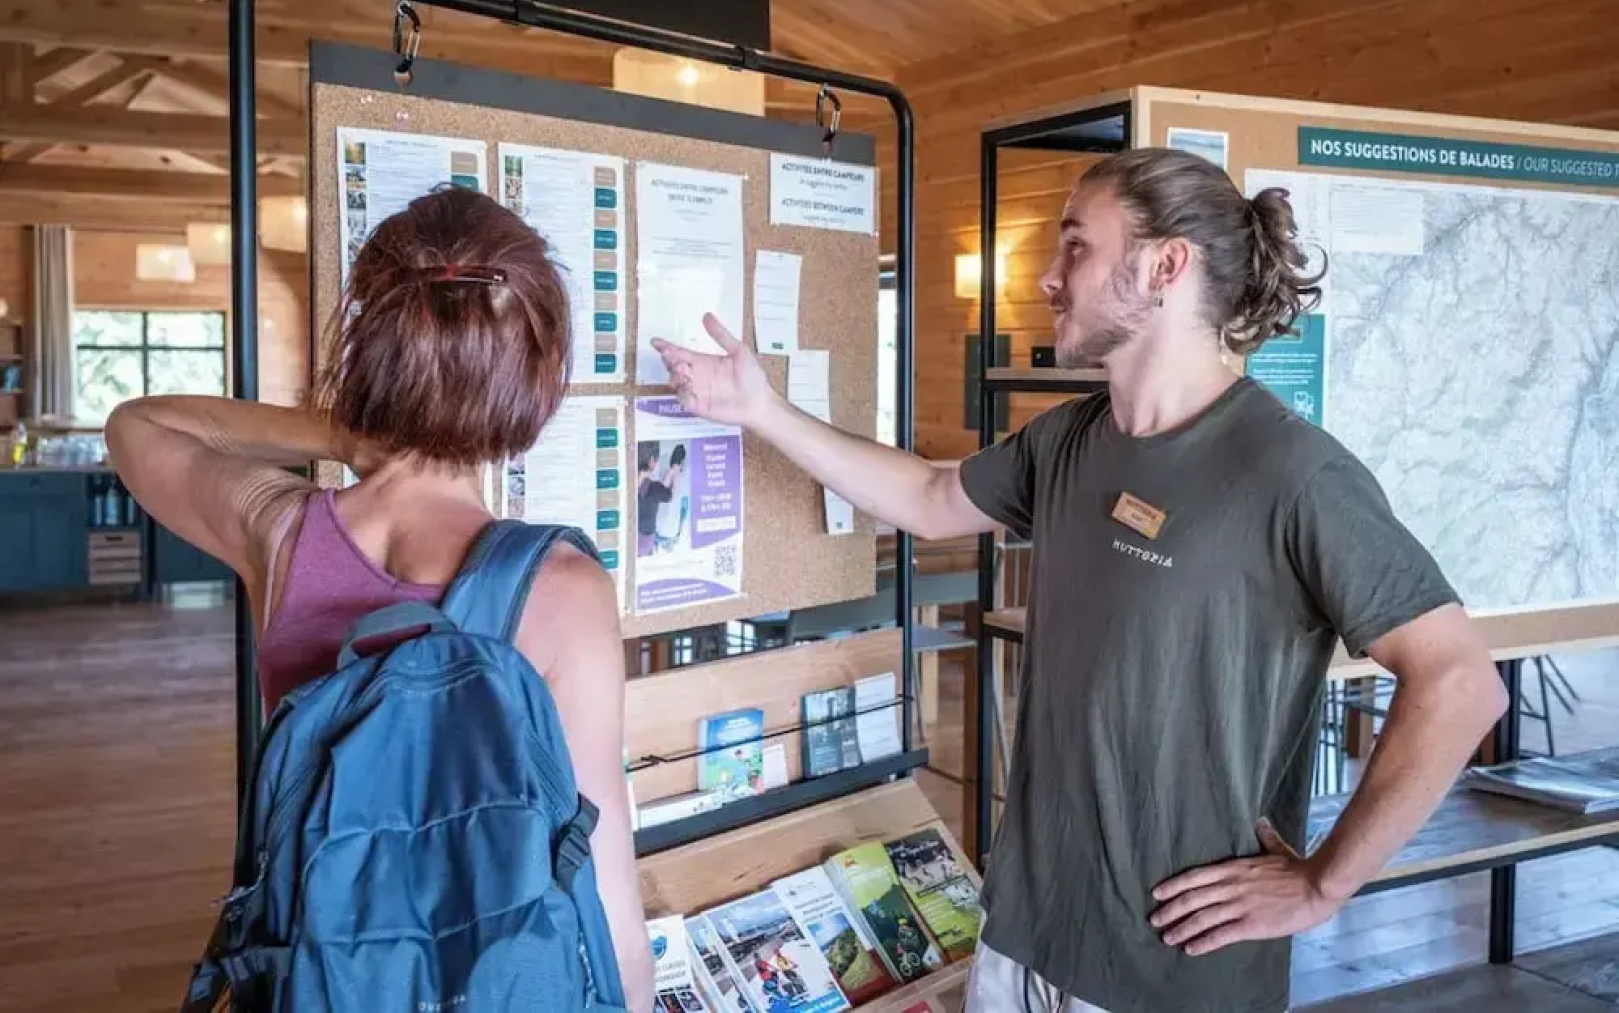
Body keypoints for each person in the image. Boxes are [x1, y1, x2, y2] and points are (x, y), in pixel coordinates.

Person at [651, 148, 1508, 1013]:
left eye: (1076, 248)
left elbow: (1460, 683)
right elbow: (925, 494)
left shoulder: (1290, 472)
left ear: (1164, 264)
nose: (1048, 278)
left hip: (1168, 963)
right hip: (1022, 931)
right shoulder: (1067, 439)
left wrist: (1324, 884)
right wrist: (759, 410)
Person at [106, 186, 655, 1013]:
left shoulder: (280, 532)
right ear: (535, 378)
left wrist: (342, 430)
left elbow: (137, 425)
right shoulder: (562, 587)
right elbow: (602, 866)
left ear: (369, 347)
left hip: (322, 963)